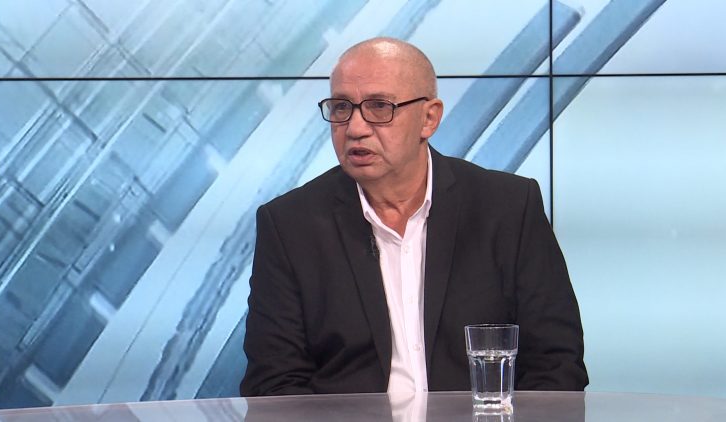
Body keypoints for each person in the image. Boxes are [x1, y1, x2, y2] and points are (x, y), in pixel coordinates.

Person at [240, 37, 588, 396]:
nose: (355, 128)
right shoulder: (290, 225)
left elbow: (556, 363)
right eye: (341, 107)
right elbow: (274, 381)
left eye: (379, 107)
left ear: (429, 118)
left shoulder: (507, 207)